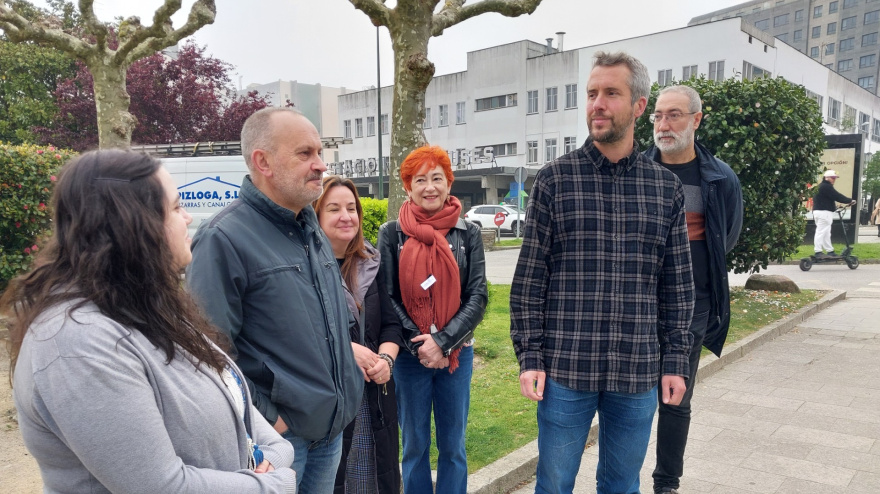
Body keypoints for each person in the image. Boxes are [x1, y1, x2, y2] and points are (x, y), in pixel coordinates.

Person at [3, 150, 296, 493]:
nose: (188, 218)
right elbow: (160, 487)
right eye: (175, 207)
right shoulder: (77, 343)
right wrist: (273, 485)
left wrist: (272, 460)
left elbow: (256, 429)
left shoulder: (144, 307)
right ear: (132, 223)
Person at [510, 51, 695, 494]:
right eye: (592, 93)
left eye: (611, 93)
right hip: (566, 368)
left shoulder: (665, 188)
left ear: (638, 106)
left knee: (621, 483)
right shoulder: (555, 181)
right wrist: (530, 356)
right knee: (553, 482)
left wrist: (675, 360)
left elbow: (677, 287)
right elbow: (530, 279)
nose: (597, 103)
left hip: (636, 371)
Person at [187, 107, 362, 493]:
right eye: (305, 154)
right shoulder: (223, 238)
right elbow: (207, 352)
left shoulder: (308, 224)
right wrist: (272, 419)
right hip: (281, 443)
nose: (320, 165)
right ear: (262, 161)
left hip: (329, 432)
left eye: (319, 152)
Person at [644, 85, 744, 494]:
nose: (663, 125)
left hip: (694, 305)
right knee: (627, 393)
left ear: (696, 120)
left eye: (674, 115)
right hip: (639, 301)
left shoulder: (720, 178)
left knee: (675, 396)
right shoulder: (636, 169)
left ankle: (667, 481)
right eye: (658, 116)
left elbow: (727, 236)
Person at [377, 145, 487, 494]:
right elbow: (387, 296)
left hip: (456, 356)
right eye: (419, 179)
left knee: (453, 446)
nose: (429, 187)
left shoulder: (467, 233)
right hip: (411, 358)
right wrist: (421, 344)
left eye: (436, 178)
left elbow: (478, 296)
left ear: (448, 183)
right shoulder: (392, 233)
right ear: (408, 187)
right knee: (414, 446)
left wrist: (443, 342)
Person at [313, 176, 404, 493]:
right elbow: (302, 333)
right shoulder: (305, 267)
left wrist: (386, 360)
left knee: (376, 480)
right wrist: (349, 350)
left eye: (352, 208)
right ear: (316, 214)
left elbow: (392, 325)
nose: (346, 216)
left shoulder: (371, 261)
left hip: (374, 397)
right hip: (330, 397)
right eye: (334, 208)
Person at [812, 169, 855, 257]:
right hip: (824, 213)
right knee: (821, 232)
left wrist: (835, 207)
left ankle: (830, 250)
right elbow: (836, 196)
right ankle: (818, 251)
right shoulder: (826, 186)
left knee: (826, 232)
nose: (834, 180)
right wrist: (849, 200)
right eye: (832, 178)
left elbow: (826, 200)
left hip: (819, 212)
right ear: (826, 178)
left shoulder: (821, 186)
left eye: (835, 178)